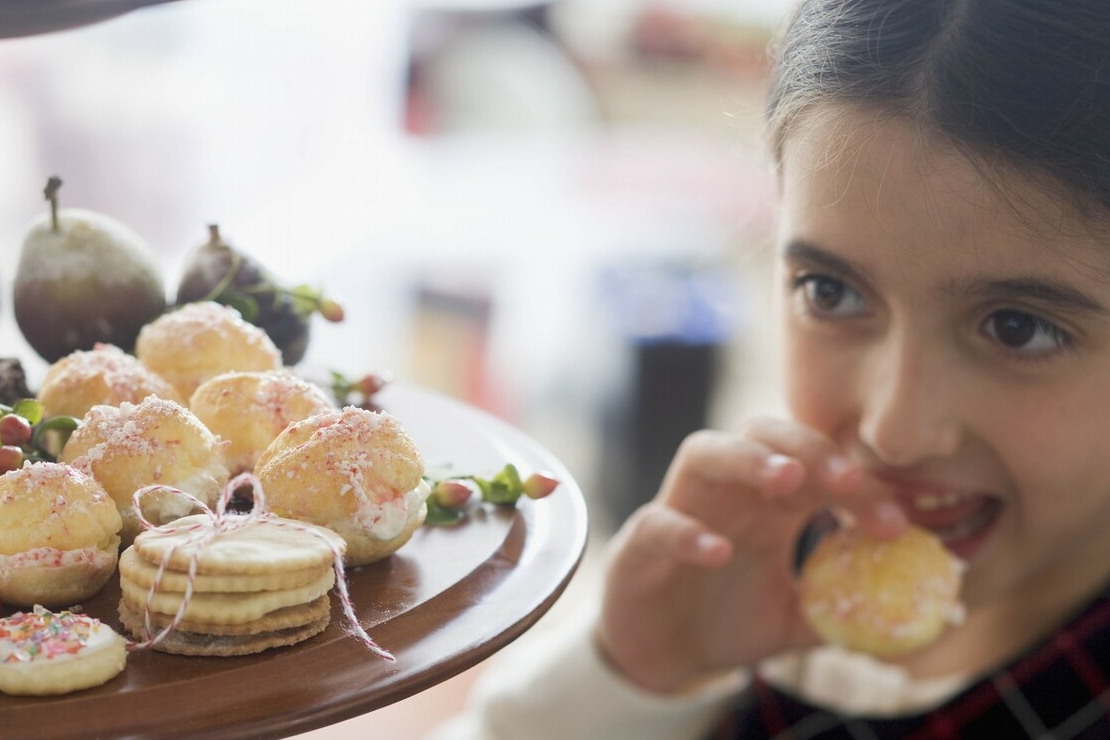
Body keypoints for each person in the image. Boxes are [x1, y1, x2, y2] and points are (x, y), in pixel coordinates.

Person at [428, 0, 1110, 737]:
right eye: (832, 291)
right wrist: (627, 676)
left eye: (1019, 328)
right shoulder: (736, 557)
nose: (893, 434)